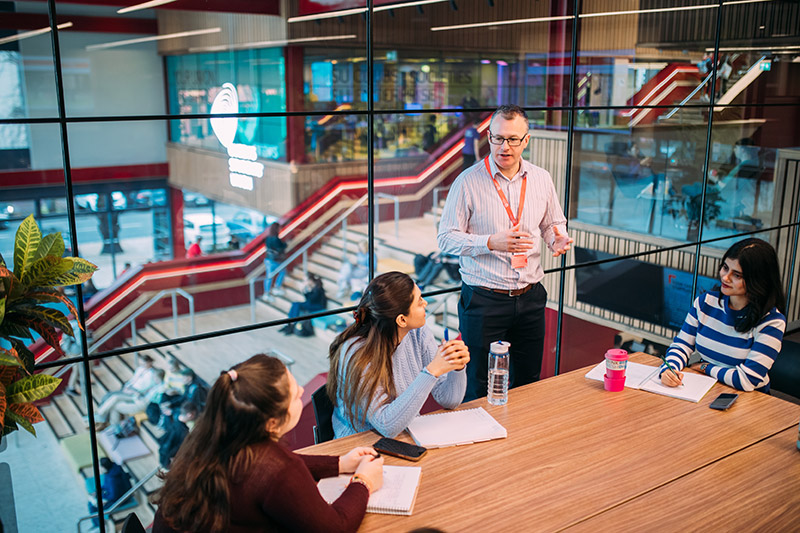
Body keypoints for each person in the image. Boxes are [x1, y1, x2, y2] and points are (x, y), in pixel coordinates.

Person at [152, 354, 383, 533]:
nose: (303, 391)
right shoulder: (274, 467)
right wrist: (363, 481)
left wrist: (340, 463)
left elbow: (278, 466)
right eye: (295, 395)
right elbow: (336, 528)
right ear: (272, 424)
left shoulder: (212, 436)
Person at [438, 104, 573, 402]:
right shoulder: (467, 182)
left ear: (526, 140)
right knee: (477, 386)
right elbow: (445, 239)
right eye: (498, 138)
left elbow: (552, 223)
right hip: (484, 301)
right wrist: (489, 243)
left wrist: (556, 239)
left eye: (513, 139)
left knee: (529, 382)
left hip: (531, 296)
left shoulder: (541, 178)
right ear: (488, 137)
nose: (504, 146)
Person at [328, 272, 469, 439]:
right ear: (402, 320)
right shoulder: (357, 354)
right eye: (419, 302)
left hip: (404, 435)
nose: (425, 303)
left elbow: (449, 400)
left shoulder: (418, 332)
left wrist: (457, 367)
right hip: (359, 443)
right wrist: (431, 372)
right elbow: (386, 426)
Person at [660, 238, 786, 392]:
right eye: (725, 268)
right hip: (704, 389)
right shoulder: (705, 302)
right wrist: (669, 369)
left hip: (749, 400)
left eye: (737, 275)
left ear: (757, 280)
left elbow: (747, 380)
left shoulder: (772, 322)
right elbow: (681, 345)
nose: (725, 277)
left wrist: (705, 367)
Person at [91, 354, 158, 428]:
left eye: (144, 363)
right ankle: (103, 418)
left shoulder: (152, 374)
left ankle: (100, 416)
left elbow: (145, 389)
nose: (142, 365)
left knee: (115, 398)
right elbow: (133, 380)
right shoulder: (140, 369)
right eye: (141, 363)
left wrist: (132, 391)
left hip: (135, 393)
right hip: (129, 389)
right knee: (108, 396)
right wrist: (127, 386)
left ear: (149, 362)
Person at [88, 458, 132, 526]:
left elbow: (113, 496)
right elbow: (106, 485)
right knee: (91, 503)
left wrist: (101, 497)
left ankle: (99, 526)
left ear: (104, 467)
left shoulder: (113, 479)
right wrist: (97, 491)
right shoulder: (111, 470)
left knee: (93, 507)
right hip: (114, 495)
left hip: (120, 499)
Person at [264, 222, 287, 297]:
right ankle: (277, 287)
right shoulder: (276, 239)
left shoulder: (268, 238)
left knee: (269, 276)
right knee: (283, 271)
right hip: (274, 260)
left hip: (268, 259)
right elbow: (281, 247)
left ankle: (266, 293)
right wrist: (285, 244)